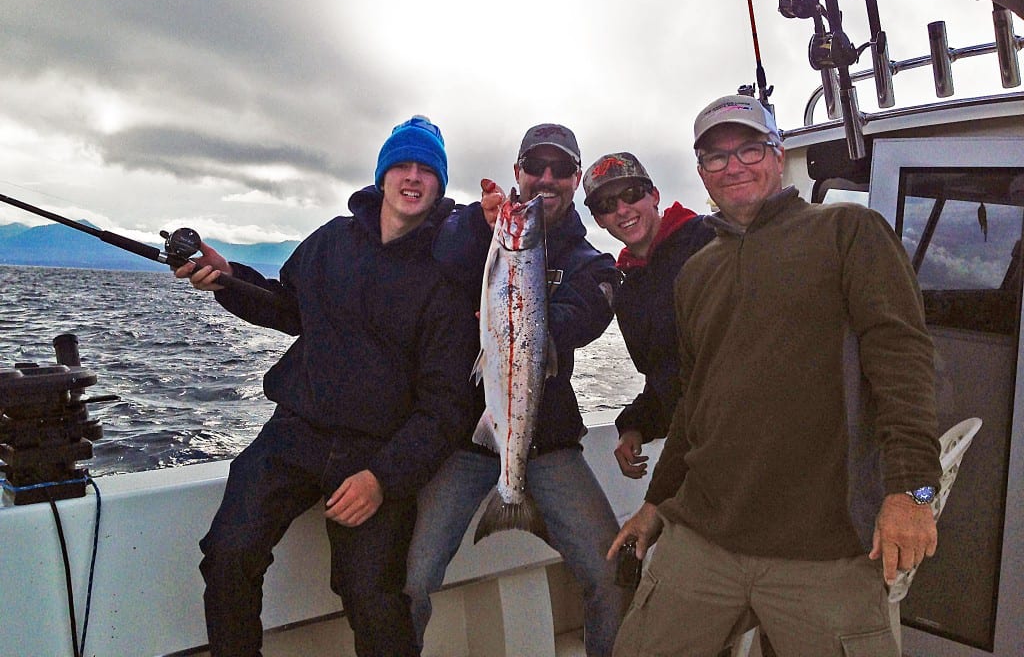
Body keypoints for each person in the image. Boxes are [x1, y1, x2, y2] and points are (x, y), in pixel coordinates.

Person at [607, 95, 942, 657]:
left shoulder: (849, 231)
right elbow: (694, 404)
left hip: (824, 550)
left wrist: (913, 490)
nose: (733, 166)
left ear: (778, 155)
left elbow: (903, 360)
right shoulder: (695, 272)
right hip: (705, 537)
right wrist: (655, 503)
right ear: (700, 174)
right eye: (716, 158)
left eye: (749, 149)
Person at [174, 116, 479, 657]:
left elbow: (447, 407)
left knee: (374, 597)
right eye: (402, 166)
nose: (412, 177)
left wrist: (383, 479)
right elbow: (288, 305)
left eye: (426, 170)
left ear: (438, 185)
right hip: (296, 431)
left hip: (376, 452)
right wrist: (227, 277)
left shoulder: (445, 273)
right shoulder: (332, 240)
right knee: (227, 553)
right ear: (383, 175)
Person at [406, 123, 629, 657]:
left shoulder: (590, 263)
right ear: (518, 173)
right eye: (536, 167)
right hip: (467, 437)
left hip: (546, 441)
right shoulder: (478, 231)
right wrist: (475, 223)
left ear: (576, 179)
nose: (546, 179)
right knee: (411, 582)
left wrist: (525, 305)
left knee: (612, 574)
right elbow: (443, 254)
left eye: (560, 169)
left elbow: (583, 317)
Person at [581, 151, 715, 480]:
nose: (622, 209)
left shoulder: (711, 238)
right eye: (606, 204)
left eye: (631, 194)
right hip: (696, 451)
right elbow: (664, 382)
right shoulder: (627, 292)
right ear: (599, 220)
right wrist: (635, 428)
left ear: (654, 196)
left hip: (747, 434)